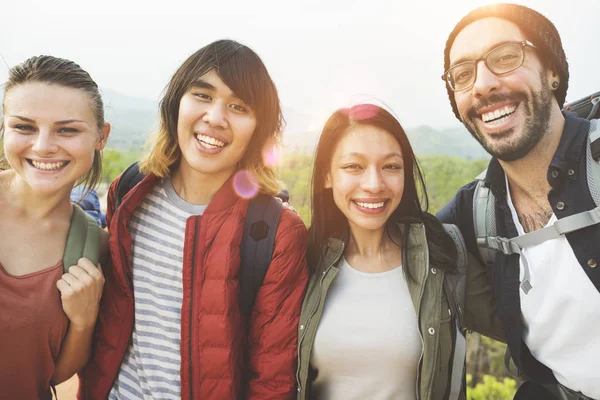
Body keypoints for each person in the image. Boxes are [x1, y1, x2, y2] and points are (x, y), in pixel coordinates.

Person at [79, 39, 309, 399]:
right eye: (202, 95)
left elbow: (272, 379)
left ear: (258, 129)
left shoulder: (275, 232)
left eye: (238, 106)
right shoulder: (130, 190)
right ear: (175, 104)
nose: (215, 118)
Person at [438, 4, 600, 399]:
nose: (482, 84)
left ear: (552, 71)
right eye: (462, 74)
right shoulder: (469, 220)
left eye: (506, 57)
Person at [297, 104, 503, 400]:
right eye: (353, 167)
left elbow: (529, 334)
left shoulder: (444, 256)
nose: (373, 184)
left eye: (391, 167)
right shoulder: (301, 261)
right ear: (327, 176)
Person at [0, 55, 109, 399]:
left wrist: (84, 320)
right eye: (24, 127)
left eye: (67, 129)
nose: (43, 146)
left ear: (100, 137)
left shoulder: (94, 246)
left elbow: (54, 373)